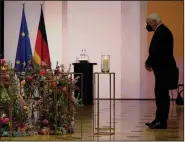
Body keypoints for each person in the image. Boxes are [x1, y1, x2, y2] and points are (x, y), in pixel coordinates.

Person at [145, 13, 179, 129]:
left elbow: (156, 50)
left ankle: (161, 121)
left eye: (148, 23)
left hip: (164, 70)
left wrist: (148, 63)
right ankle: (158, 120)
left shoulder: (162, 32)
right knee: (161, 95)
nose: (147, 25)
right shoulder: (162, 31)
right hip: (163, 69)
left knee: (162, 96)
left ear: (154, 21)